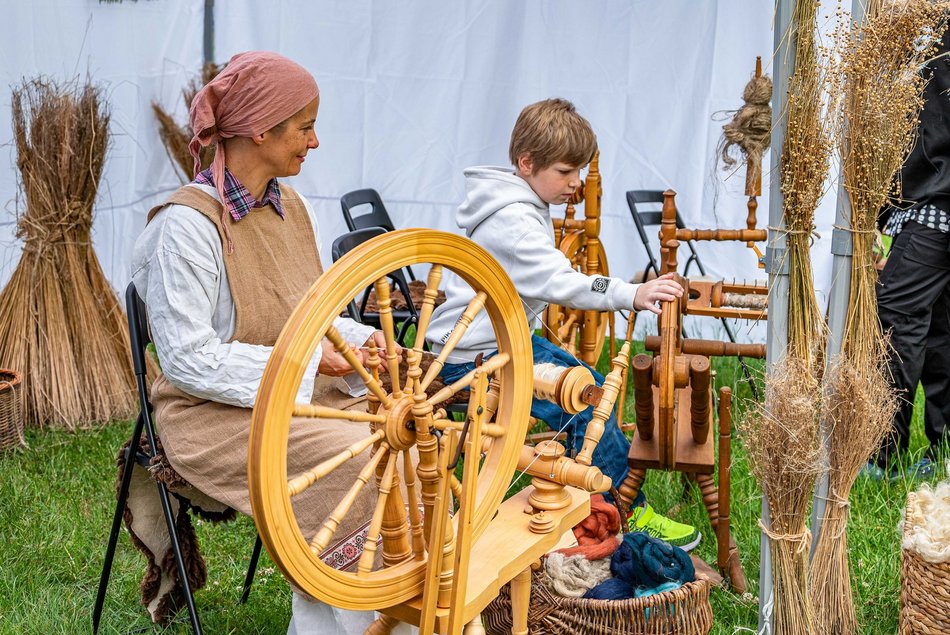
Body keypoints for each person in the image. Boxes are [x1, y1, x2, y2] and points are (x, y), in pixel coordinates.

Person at [131, 51, 409, 634]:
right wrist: (312, 367)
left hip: (289, 393)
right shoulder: (185, 227)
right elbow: (186, 361)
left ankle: (327, 617)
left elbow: (316, 314)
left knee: (402, 432)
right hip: (208, 413)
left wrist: (367, 348)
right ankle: (364, 615)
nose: (314, 141)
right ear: (261, 129)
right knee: (361, 451)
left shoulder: (292, 209)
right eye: (305, 126)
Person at [425, 98, 700, 550]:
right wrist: (632, 293)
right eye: (566, 172)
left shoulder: (516, 200)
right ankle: (624, 511)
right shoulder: (513, 220)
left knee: (585, 388)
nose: (575, 183)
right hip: (473, 359)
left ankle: (592, 504)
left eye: (580, 171)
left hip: (493, 342)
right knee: (590, 400)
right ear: (527, 162)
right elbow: (559, 281)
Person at [869, 29, 950, 481]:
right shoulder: (932, 39)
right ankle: (943, 455)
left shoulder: (942, 43)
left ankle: (885, 457)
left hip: (935, 209)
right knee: (941, 331)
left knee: (897, 319)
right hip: (932, 206)